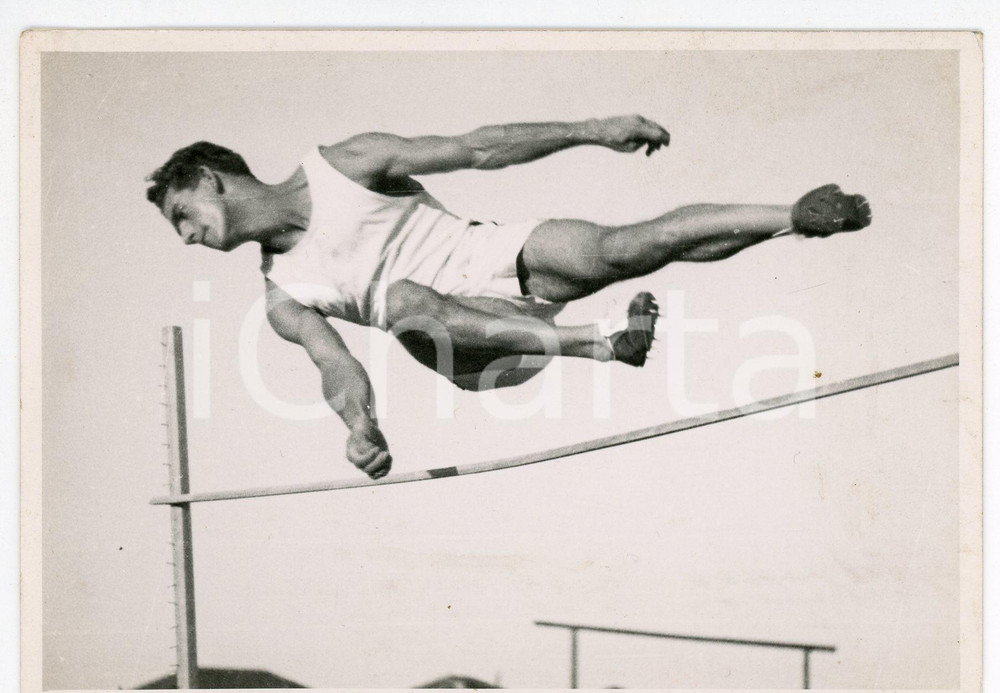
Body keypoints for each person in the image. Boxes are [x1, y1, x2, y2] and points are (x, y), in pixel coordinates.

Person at [146, 114, 871, 480]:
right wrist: (360, 427)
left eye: (182, 215)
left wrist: (592, 130)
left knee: (626, 246)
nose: (184, 238)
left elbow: (480, 148)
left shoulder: (345, 165)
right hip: (473, 350)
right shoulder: (282, 295)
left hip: (496, 261)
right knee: (401, 299)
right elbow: (338, 368)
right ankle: (593, 342)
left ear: (212, 180)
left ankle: (791, 217)